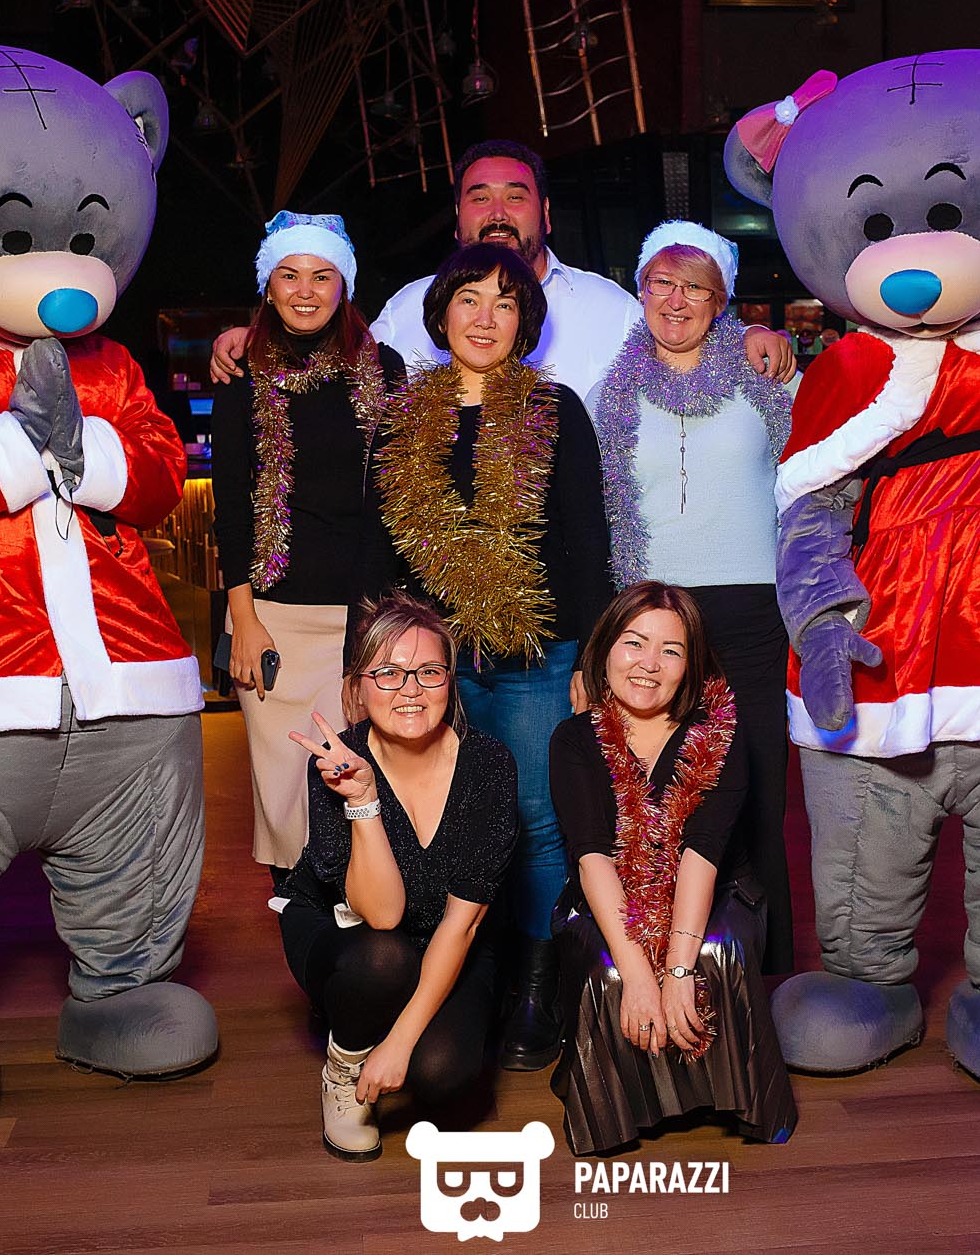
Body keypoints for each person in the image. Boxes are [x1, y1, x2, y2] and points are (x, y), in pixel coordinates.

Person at [374, 241, 611, 1071]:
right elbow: (380, 550)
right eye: (469, 299)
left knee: (537, 817)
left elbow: (587, 541)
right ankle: (466, 980)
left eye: (505, 302)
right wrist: (369, 660)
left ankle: (537, 989)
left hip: (537, 656)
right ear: (441, 314)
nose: (485, 317)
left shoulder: (556, 409)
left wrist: (588, 658)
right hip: (429, 663)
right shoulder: (403, 417)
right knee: (446, 820)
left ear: (525, 322)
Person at [591, 220, 797, 973]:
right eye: (661, 283)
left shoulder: (766, 375)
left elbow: (820, 475)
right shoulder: (607, 393)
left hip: (752, 614)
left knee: (760, 795)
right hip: (652, 619)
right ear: (641, 290)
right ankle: (663, 970)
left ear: (721, 301)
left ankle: (767, 975)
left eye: (695, 288)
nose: (675, 300)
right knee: (662, 799)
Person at [208, 140, 796, 400]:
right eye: (478, 197)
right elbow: (337, 368)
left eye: (515, 197)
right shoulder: (411, 307)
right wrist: (261, 338)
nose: (497, 213)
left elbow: (682, 337)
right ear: (457, 219)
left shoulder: (608, 306)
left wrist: (745, 336)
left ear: (545, 213)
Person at [547, 581, 797, 1155]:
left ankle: (737, 1097)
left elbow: (701, 855)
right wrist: (640, 974)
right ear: (606, 649)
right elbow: (592, 857)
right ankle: (616, 1111)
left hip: (717, 889)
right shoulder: (574, 740)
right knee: (613, 971)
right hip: (608, 894)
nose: (649, 664)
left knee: (715, 953)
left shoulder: (719, 734)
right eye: (634, 643)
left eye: (671, 650)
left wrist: (678, 969)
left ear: (691, 666)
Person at [276, 593, 518, 1161]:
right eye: (387, 672)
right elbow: (382, 916)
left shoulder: (489, 765)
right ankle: (344, 1064)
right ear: (357, 687)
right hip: (351, 935)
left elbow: (462, 926)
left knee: (441, 1072)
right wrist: (362, 798)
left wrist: (402, 1043)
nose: (410, 689)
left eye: (429, 671)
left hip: (448, 938)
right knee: (384, 959)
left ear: (450, 682)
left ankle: (385, 1023)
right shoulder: (339, 762)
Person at [212, 211, 409, 880]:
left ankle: (358, 919)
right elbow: (232, 504)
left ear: (343, 285)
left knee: (353, 784)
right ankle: (300, 925)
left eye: (322, 276)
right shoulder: (242, 370)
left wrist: (378, 624)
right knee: (283, 792)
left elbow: (391, 501)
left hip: (360, 616)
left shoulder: (382, 368)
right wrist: (243, 619)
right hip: (272, 620)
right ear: (267, 286)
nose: (305, 290)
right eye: (289, 275)